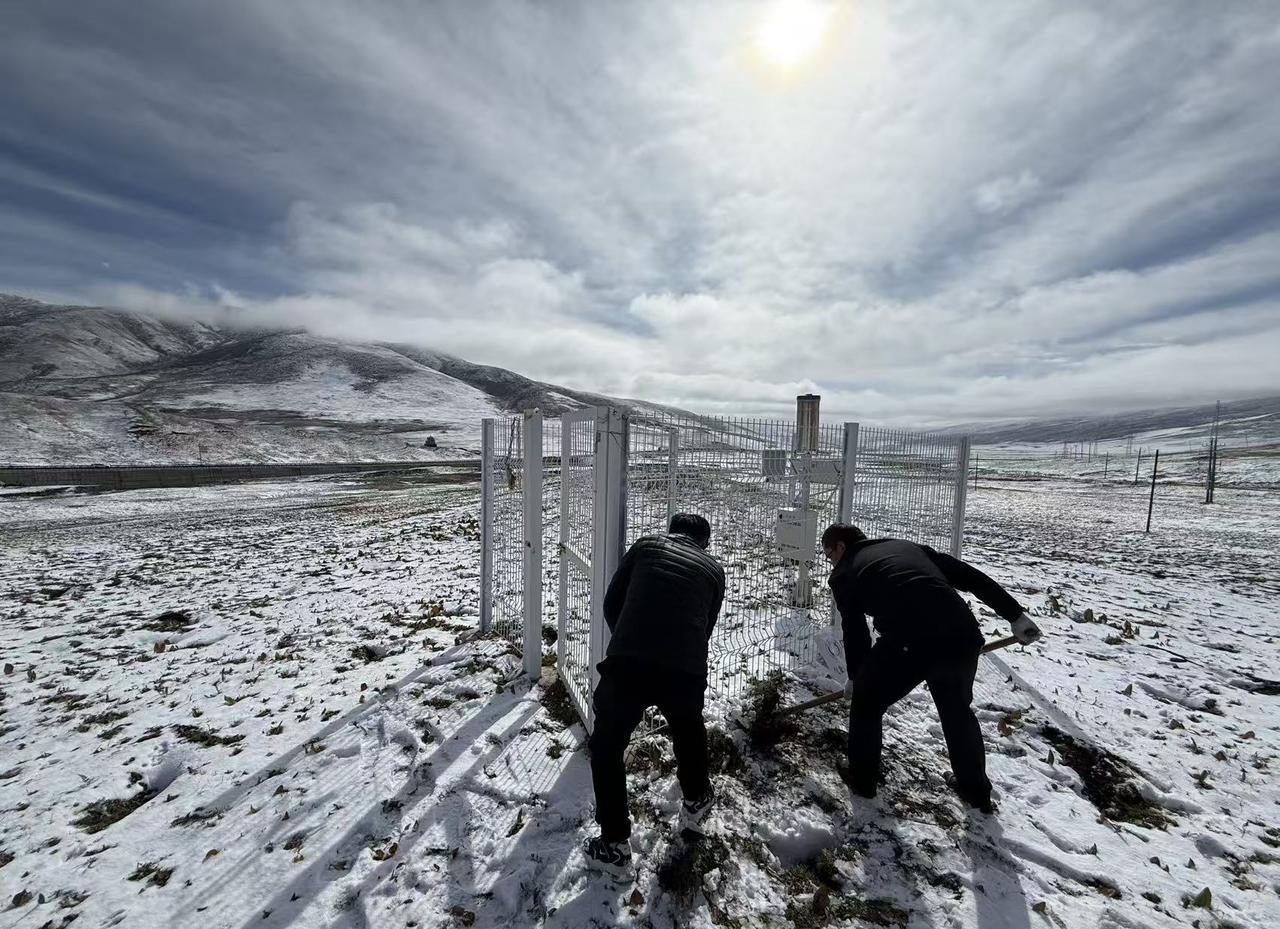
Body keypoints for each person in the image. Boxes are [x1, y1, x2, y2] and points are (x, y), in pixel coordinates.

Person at [821, 523, 1042, 814]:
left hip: (910, 638)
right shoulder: (909, 547)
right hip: (962, 634)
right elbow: (969, 576)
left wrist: (856, 677)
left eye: (829, 555)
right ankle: (975, 792)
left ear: (839, 547)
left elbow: (855, 630)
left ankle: (863, 780)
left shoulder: (844, 573)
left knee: (866, 702)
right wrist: (1015, 615)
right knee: (956, 711)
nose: (831, 562)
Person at [583, 513, 726, 877]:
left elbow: (612, 601)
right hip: (684, 667)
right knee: (688, 729)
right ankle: (697, 797)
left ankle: (614, 844)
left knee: (607, 746)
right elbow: (706, 625)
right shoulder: (713, 569)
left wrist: (628, 637)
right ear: (704, 541)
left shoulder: (647, 545)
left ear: (671, 530)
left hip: (629, 662)